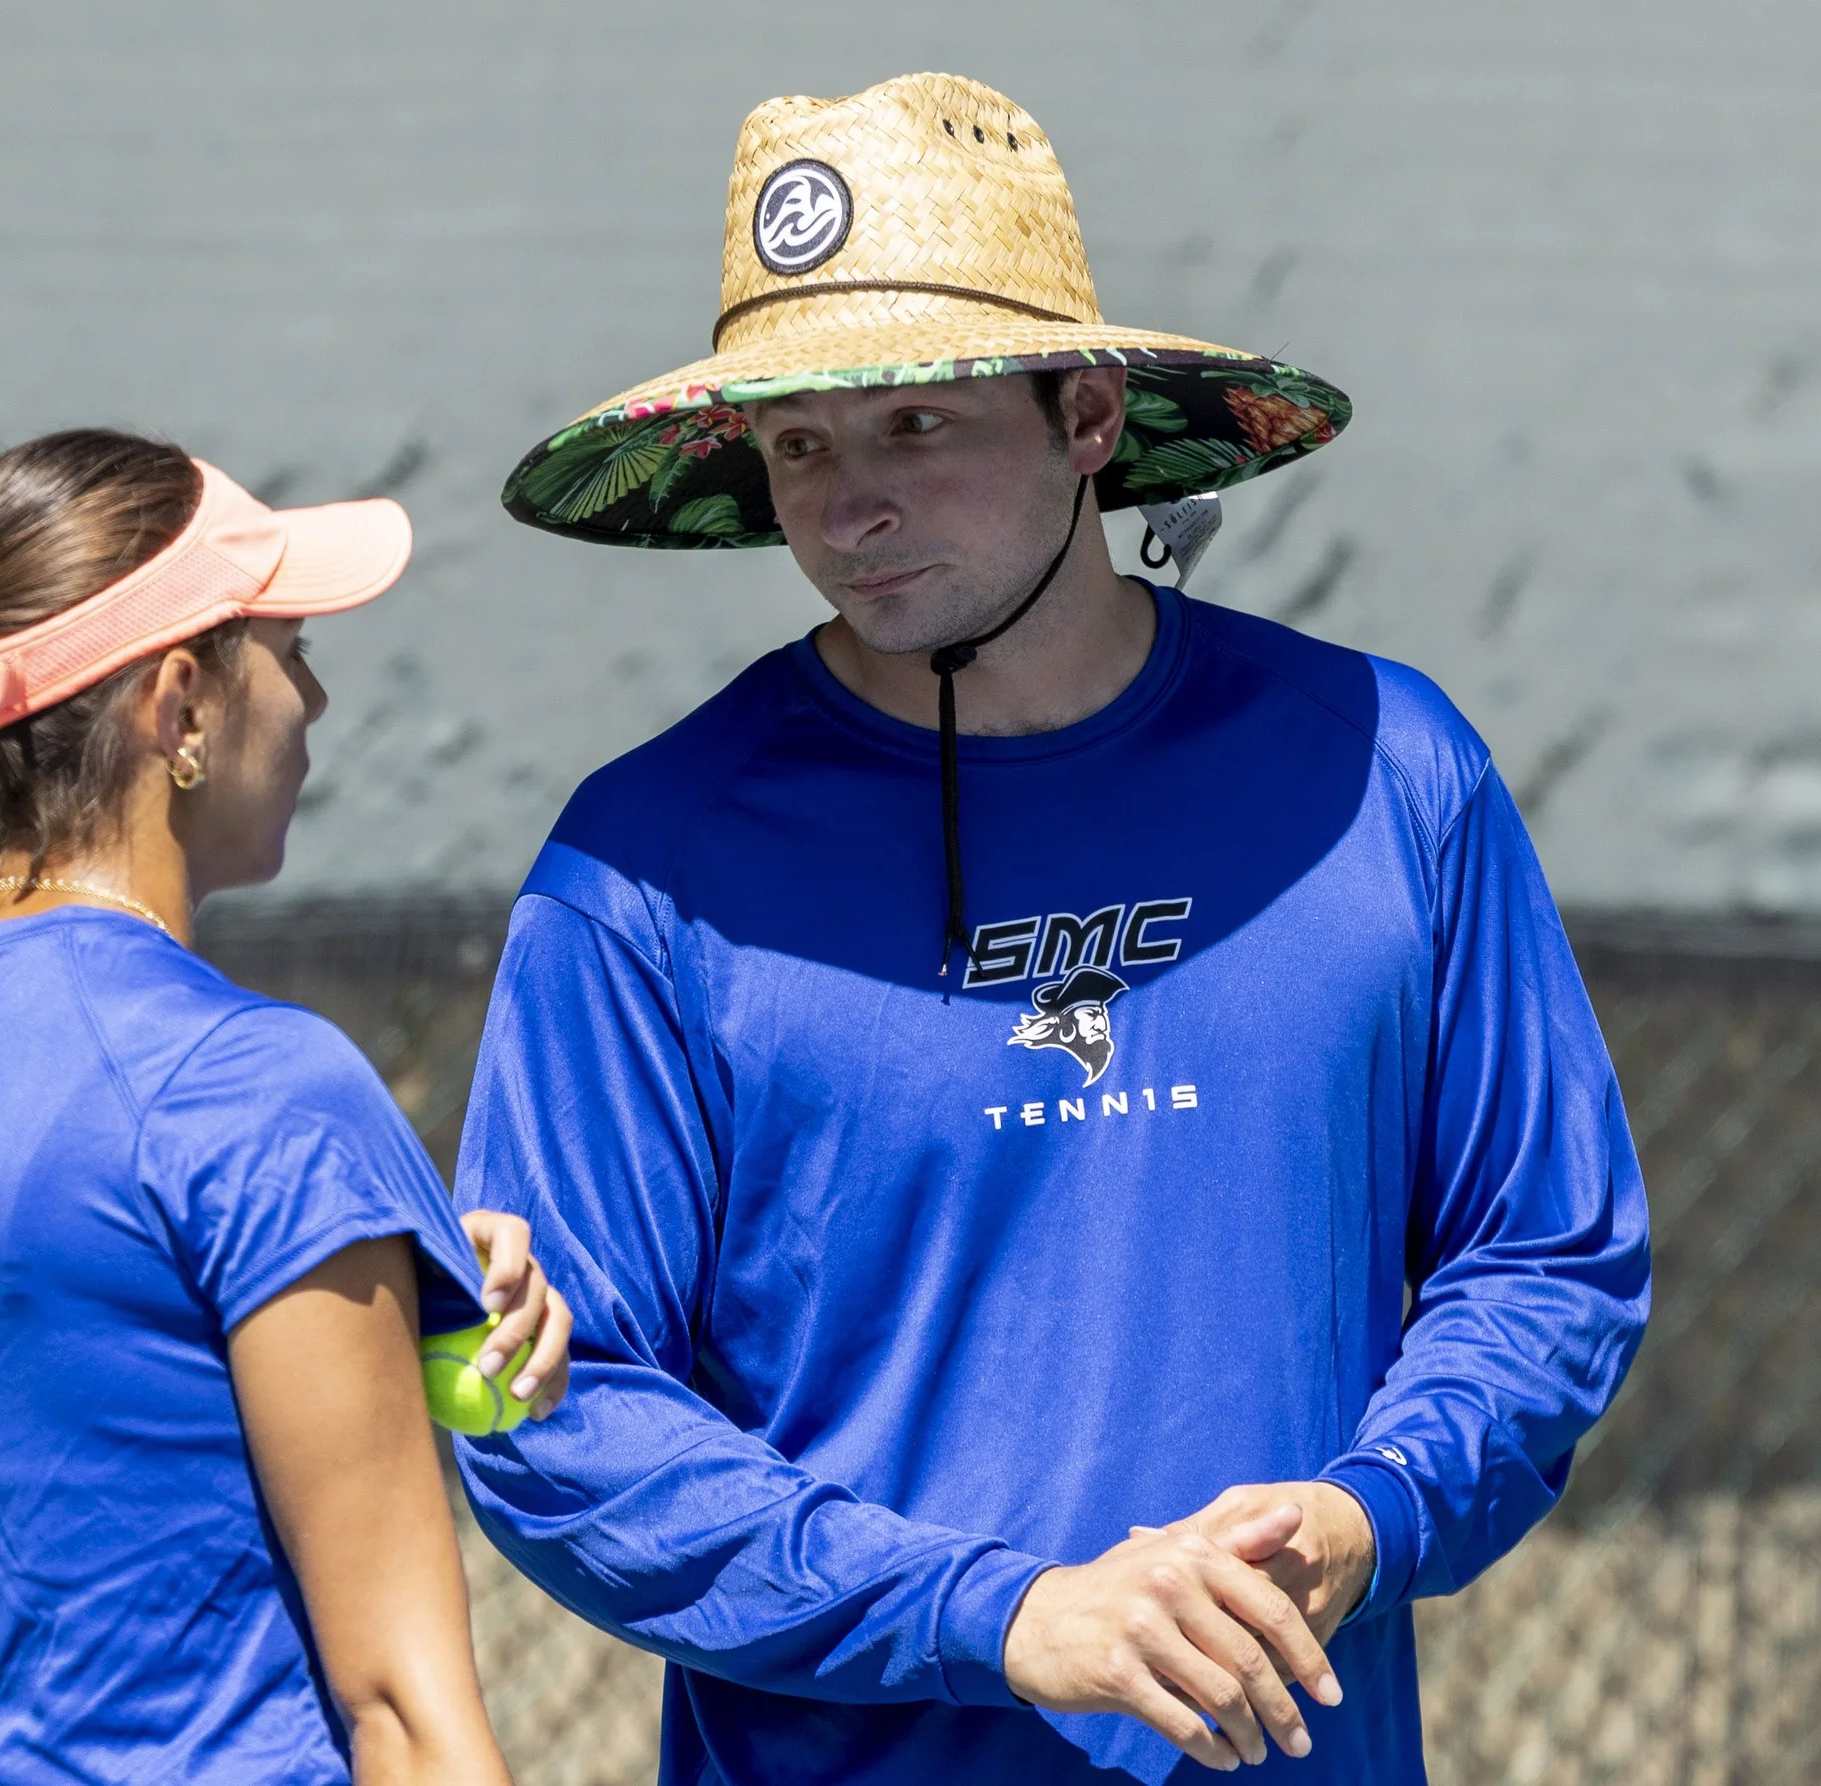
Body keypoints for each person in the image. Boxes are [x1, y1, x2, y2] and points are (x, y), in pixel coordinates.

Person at [456, 73, 1650, 1783]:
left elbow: (1550, 1257)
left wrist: (1371, 1512)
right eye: (799, 445)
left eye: (915, 425)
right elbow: (534, 1419)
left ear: (1088, 416)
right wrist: (1002, 1618)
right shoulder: (639, 872)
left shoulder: (1389, 774)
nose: (848, 505)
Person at [0, 430, 571, 1786]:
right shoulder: (260, 1090)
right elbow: (404, 1714)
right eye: (291, 645)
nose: (315, 697)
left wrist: (396, 1302)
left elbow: (109, 1432)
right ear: (184, 704)